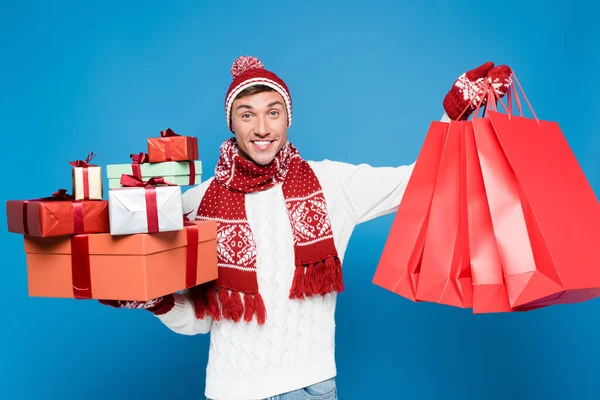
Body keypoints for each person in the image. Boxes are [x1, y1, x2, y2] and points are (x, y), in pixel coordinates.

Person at [101, 56, 512, 400]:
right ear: (233, 124)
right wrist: (153, 300)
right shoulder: (197, 203)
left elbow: (418, 181)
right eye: (248, 115)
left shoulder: (330, 184)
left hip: (309, 387)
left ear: (288, 118)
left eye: (272, 113)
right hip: (231, 389)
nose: (262, 128)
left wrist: (452, 116)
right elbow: (199, 320)